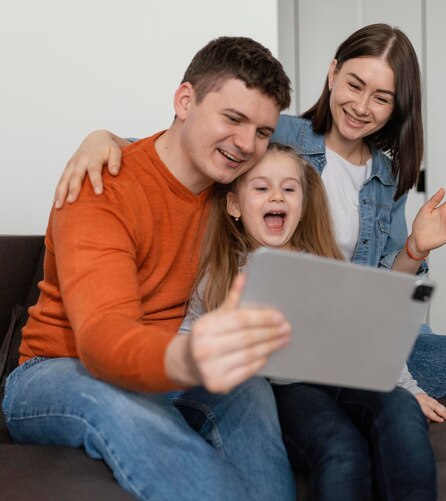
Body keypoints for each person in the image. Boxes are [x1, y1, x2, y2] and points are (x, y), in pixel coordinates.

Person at [53, 23, 446, 420]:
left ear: (397, 107)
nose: (361, 107)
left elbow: (381, 294)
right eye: (354, 85)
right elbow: (182, 143)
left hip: (339, 325)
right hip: (274, 325)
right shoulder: (276, 134)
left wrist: (416, 248)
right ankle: (318, 386)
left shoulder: (386, 175)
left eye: (381, 98)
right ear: (332, 73)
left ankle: (331, 382)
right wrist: (101, 138)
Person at [2, 37, 297, 501]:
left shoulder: (232, 189)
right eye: (233, 118)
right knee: (128, 409)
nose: (246, 144)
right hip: (57, 370)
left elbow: (331, 135)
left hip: (164, 365)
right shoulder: (100, 188)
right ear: (185, 101)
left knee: (251, 390)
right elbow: (103, 341)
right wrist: (190, 357)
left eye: (263, 132)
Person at [183, 141, 437, 500]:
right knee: (341, 447)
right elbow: (190, 337)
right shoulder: (223, 273)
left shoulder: (326, 266)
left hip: (347, 374)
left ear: (302, 206)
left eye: (289, 188)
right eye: (261, 188)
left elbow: (369, 334)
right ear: (234, 205)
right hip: (288, 389)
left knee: (400, 410)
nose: (277, 197)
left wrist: (409, 388)